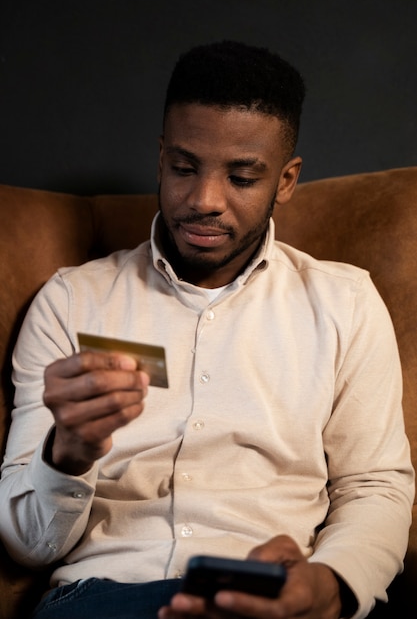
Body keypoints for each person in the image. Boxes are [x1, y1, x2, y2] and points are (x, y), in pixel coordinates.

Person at [0, 40, 414, 619]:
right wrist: (66, 453)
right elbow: (25, 542)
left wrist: (329, 586)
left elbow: (374, 488)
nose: (204, 200)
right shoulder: (71, 301)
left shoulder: (344, 302)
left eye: (242, 177)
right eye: (184, 168)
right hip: (100, 598)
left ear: (286, 181)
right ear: (161, 157)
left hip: (267, 602)